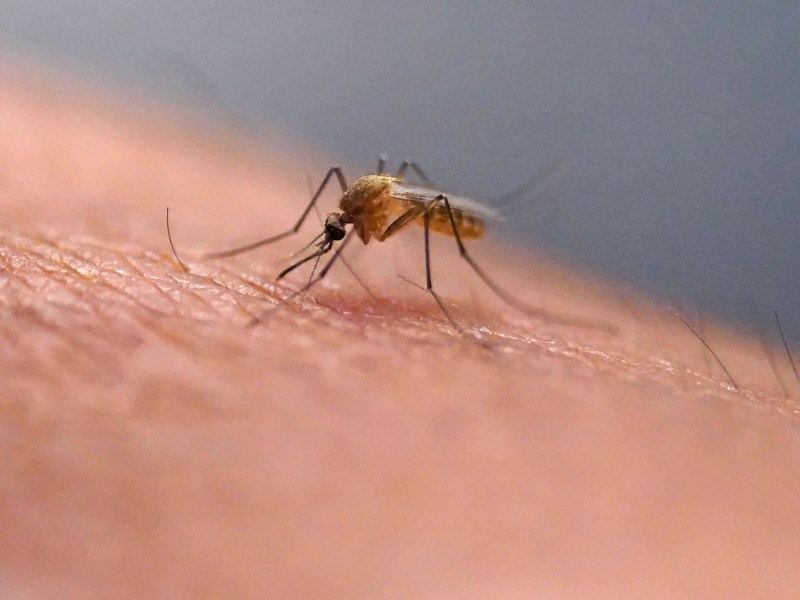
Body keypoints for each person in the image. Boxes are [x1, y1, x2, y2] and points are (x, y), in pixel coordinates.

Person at [2, 68, 799, 598]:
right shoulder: (349, 209)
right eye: (338, 229)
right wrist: (300, 246)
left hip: (445, 216)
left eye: (336, 230)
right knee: (382, 183)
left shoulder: (372, 210)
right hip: (398, 202)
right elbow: (341, 223)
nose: (337, 235)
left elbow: (373, 214)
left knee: (414, 200)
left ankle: (453, 296)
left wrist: (376, 258)